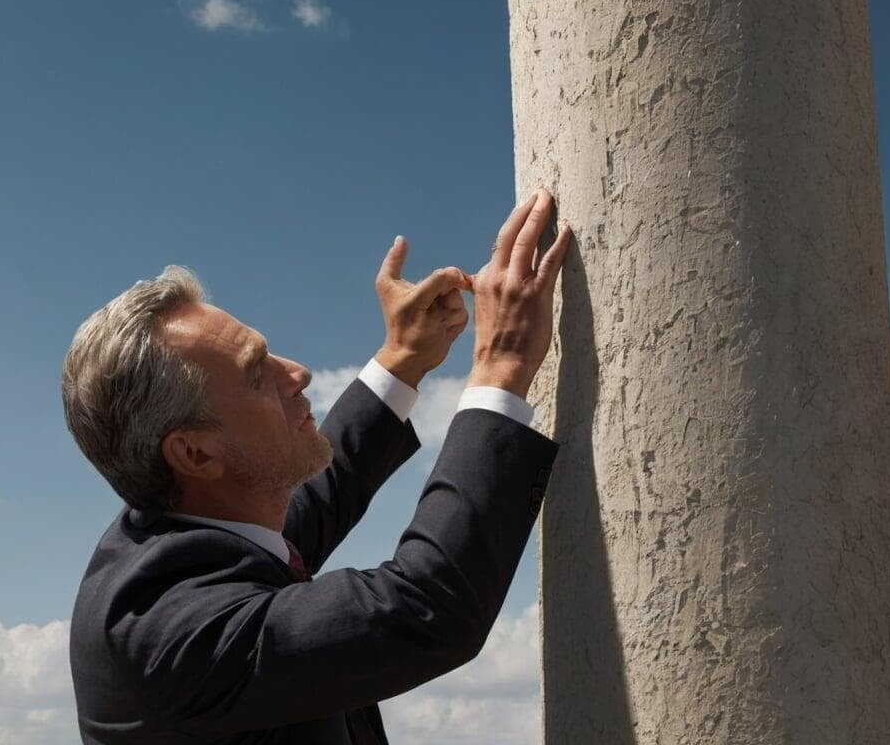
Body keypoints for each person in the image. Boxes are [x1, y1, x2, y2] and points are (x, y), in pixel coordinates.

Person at [61, 189, 573, 744]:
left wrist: (403, 356)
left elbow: (320, 492)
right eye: (258, 374)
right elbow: (426, 606)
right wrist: (500, 367)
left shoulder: (195, 524)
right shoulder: (167, 630)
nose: (299, 373)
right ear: (195, 453)